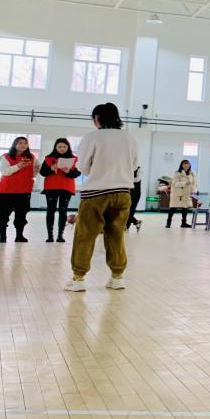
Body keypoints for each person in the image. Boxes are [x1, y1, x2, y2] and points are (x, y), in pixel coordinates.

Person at [66, 103, 141, 292]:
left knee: (85, 235)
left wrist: (98, 169)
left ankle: (78, 278)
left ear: (97, 118)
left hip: (96, 193)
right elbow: (134, 166)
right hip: (123, 192)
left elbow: (82, 166)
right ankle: (117, 277)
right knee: (116, 235)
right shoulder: (129, 137)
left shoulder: (92, 137)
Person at [0, 136, 39, 243]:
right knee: (3, 214)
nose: (23, 145)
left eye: (25, 143)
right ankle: (2, 236)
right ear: (14, 145)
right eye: (20, 143)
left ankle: (19, 236)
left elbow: (35, 170)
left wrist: (35, 172)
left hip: (24, 190)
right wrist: (19, 166)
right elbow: (5, 172)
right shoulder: (5, 157)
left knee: (21, 215)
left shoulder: (31, 157)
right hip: (7, 191)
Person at [40, 138, 80, 244]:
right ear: (55, 147)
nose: (62, 148)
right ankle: (50, 236)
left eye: (64, 147)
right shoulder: (48, 158)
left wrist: (68, 171)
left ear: (68, 147)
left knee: (63, 211)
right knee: (50, 210)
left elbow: (78, 173)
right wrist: (51, 169)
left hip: (66, 188)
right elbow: (42, 172)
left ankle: (60, 236)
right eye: (60, 146)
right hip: (51, 187)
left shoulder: (74, 159)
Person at [165, 159, 196, 228]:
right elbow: (175, 183)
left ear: (189, 165)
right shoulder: (177, 173)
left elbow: (193, 184)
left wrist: (194, 192)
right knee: (173, 208)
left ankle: (183, 223)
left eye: (187, 164)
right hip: (177, 194)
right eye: (184, 164)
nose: (186, 165)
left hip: (186, 193)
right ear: (181, 165)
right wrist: (185, 183)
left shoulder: (191, 174)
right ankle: (168, 223)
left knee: (185, 208)